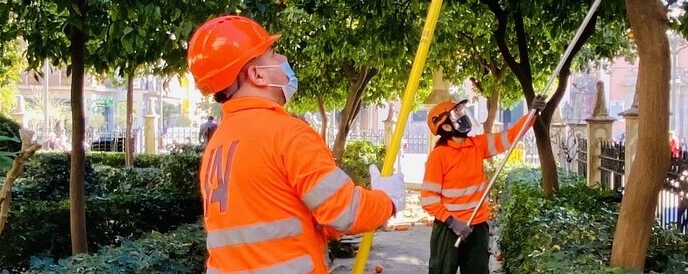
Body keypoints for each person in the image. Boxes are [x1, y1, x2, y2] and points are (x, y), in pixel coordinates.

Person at [187, 15, 406, 274]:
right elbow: (345, 210)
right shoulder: (286, 134)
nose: (282, 60)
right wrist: (388, 201)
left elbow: (292, 216)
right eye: (273, 54)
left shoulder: (218, 143)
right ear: (256, 74)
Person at [420, 96, 548, 274]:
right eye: (456, 115)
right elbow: (428, 199)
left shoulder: (476, 145)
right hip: (448, 229)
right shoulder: (439, 156)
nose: (462, 117)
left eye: (461, 112)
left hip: (477, 225)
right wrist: (453, 222)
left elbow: (510, 137)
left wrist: (532, 113)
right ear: (446, 126)